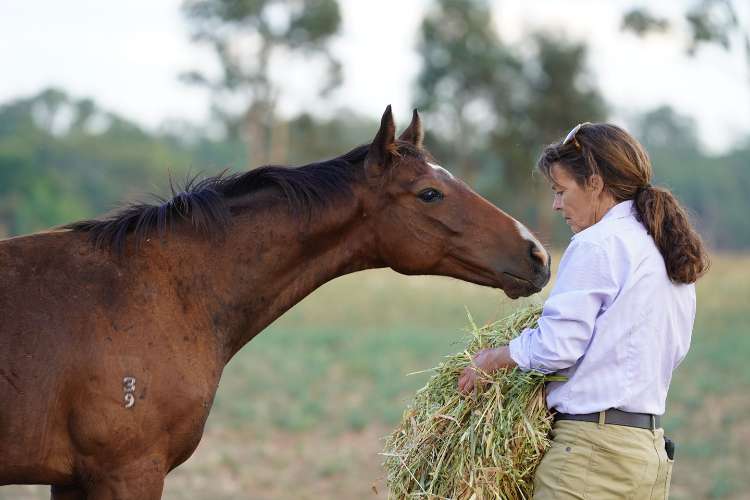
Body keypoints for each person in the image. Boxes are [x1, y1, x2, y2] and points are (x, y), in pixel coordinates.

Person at [457, 122, 709, 499]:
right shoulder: (667, 250)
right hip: (648, 455)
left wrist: (495, 358)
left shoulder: (597, 243)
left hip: (590, 458)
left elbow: (557, 346)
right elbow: (669, 352)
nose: (556, 205)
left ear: (594, 183)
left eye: (561, 191)